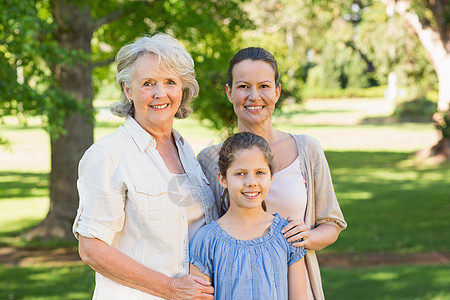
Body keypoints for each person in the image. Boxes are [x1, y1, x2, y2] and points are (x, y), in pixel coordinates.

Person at [72, 33, 218, 299]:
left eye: (170, 82)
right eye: (148, 83)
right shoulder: (109, 154)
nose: (160, 94)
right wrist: (169, 288)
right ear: (128, 89)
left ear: (182, 89)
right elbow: (91, 248)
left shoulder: (185, 150)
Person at [197, 47, 347, 300]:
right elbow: (206, 232)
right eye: (243, 86)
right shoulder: (210, 160)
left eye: (264, 86)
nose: (254, 96)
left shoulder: (307, 150)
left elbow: (332, 224)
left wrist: (304, 237)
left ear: (277, 92)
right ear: (229, 92)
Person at [190, 132, 308, 300]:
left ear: (271, 176)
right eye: (240, 173)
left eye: (260, 172)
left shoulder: (288, 235)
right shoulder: (206, 240)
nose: (251, 182)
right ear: (222, 179)